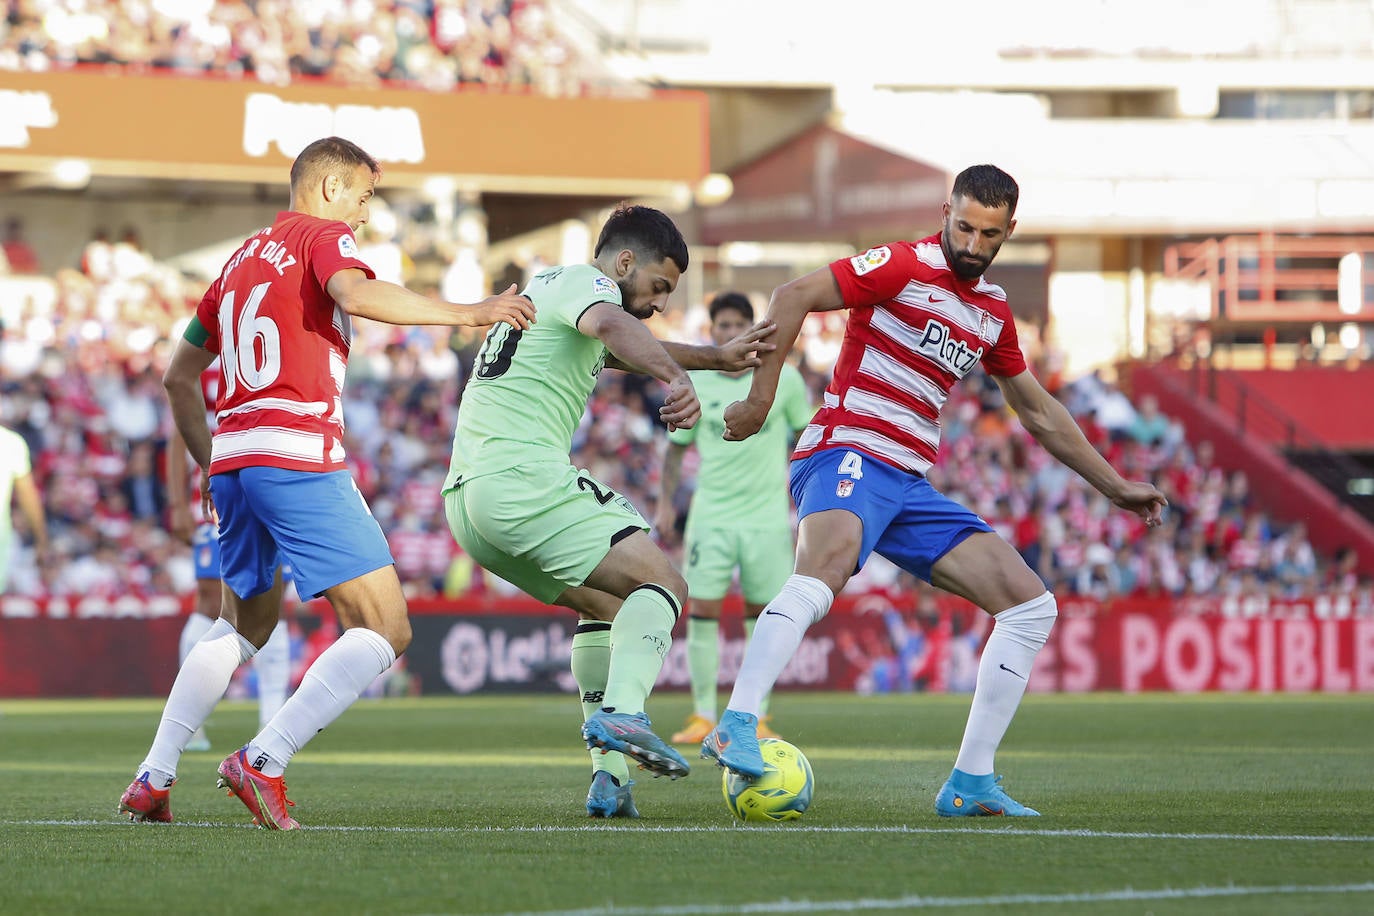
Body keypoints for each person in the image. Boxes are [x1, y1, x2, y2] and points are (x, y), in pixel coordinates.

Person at [700, 164, 1167, 817]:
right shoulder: (901, 264)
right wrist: (759, 399)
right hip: (848, 448)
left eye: (990, 235)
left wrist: (1114, 484)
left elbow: (1037, 410)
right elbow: (791, 294)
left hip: (906, 482)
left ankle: (970, 783)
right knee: (825, 571)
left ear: (1009, 233)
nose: (974, 244)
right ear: (946, 210)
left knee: (1030, 607)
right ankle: (739, 721)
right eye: (965, 226)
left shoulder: (993, 312)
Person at [117, 135, 535, 829]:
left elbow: (177, 376)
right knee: (386, 626)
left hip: (237, 461)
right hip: (295, 451)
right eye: (366, 197)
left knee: (239, 626)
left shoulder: (236, 260)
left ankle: (153, 778)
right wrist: (470, 311)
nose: (366, 215)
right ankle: (265, 758)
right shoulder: (321, 238)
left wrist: (210, 462)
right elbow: (355, 292)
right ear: (331, 186)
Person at [442, 206, 774, 818]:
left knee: (609, 606)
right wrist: (676, 378)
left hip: (469, 502)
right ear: (624, 263)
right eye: (657, 287)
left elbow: (615, 349)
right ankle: (625, 713)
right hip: (523, 479)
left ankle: (610, 780)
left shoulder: (553, 292)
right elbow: (615, 328)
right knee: (666, 582)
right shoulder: (589, 286)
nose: (657, 306)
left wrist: (714, 357)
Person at [652, 291, 812, 745]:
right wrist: (666, 504)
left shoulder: (786, 379)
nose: (729, 332)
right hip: (711, 517)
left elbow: (805, 439)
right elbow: (674, 451)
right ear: (712, 332)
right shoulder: (695, 382)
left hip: (765, 518)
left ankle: (755, 713)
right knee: (701, 609)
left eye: (737, 324)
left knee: (763, 614)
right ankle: (703, 714)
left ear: (752, 329)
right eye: (721, 325)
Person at [165, 396, 291, 752]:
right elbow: (180, 429)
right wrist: (177, 503)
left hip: (266, 481)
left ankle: (273, 720)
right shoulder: (205, 359)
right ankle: (191, 724)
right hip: (213, 495)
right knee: (210, 599)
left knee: (271, 592)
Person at [0, 421, 47, 593]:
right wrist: (41, 539)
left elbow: (28, 496)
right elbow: (28, 496)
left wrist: (41, 538)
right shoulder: (11, 442)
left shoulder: (11, 443)